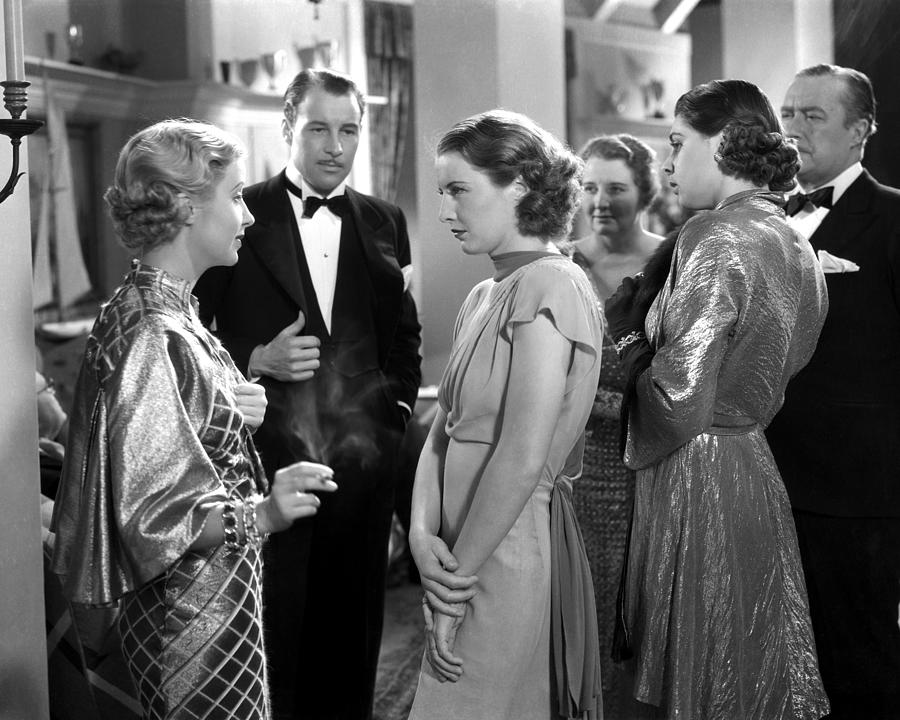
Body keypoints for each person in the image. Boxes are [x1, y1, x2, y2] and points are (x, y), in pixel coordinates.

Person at [51, 119, 337, 720]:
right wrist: (264, 512)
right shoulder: (153, 330)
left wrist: (228, 408)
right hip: (187, 616)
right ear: (185, 206)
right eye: (235, 196)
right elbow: (154, 518)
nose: (249, 215)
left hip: (210, 598)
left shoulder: (159, 311)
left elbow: (163, 434)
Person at [192, 68, 422, 720]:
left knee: (354, 634)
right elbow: (191, 336)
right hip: (263, 464)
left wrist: (396, 413)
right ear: (289, 128)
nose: (334, 145)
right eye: (318, 128)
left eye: (348, 129)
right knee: (274, 630)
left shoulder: (386, 219)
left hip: (364, 462)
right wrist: (253, 359)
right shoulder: (237, 210)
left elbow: (404, 335)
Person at [605, 79, 831, 719]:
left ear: (726, 143)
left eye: (678, 144)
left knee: (702, 667)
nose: (670, 165)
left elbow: (677, 394)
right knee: (744, 656)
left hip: (694, 470)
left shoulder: (716, 235)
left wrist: (624, 363)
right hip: (752, 464)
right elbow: (793, 355)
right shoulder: (790, 237)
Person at [407, 109, 604, 720]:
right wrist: (419, 535)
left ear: (519, 184)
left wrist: (455, 584)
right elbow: (442, 430)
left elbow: (522, 456)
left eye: (458, 189)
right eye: (442, 192)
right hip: (453, 551)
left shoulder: (554, 286)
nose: (444, 211)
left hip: (506, 547)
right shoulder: (483, 294)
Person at [766, 64, 900, 719]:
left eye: (813, 116)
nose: (793, 129)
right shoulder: (761, 220)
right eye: (788, 113)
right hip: (760, 472)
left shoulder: (893, 217)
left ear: (861, 132)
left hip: (855, 488)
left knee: (857, 657)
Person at [559, 134, 664, 718]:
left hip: (649, 458)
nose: (600, 200)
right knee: (582, 604)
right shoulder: (560, 260)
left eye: (616, 188)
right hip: (575, 464)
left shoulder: (672, 258)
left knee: (645, 607)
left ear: (644, 191)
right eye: (591, 186)